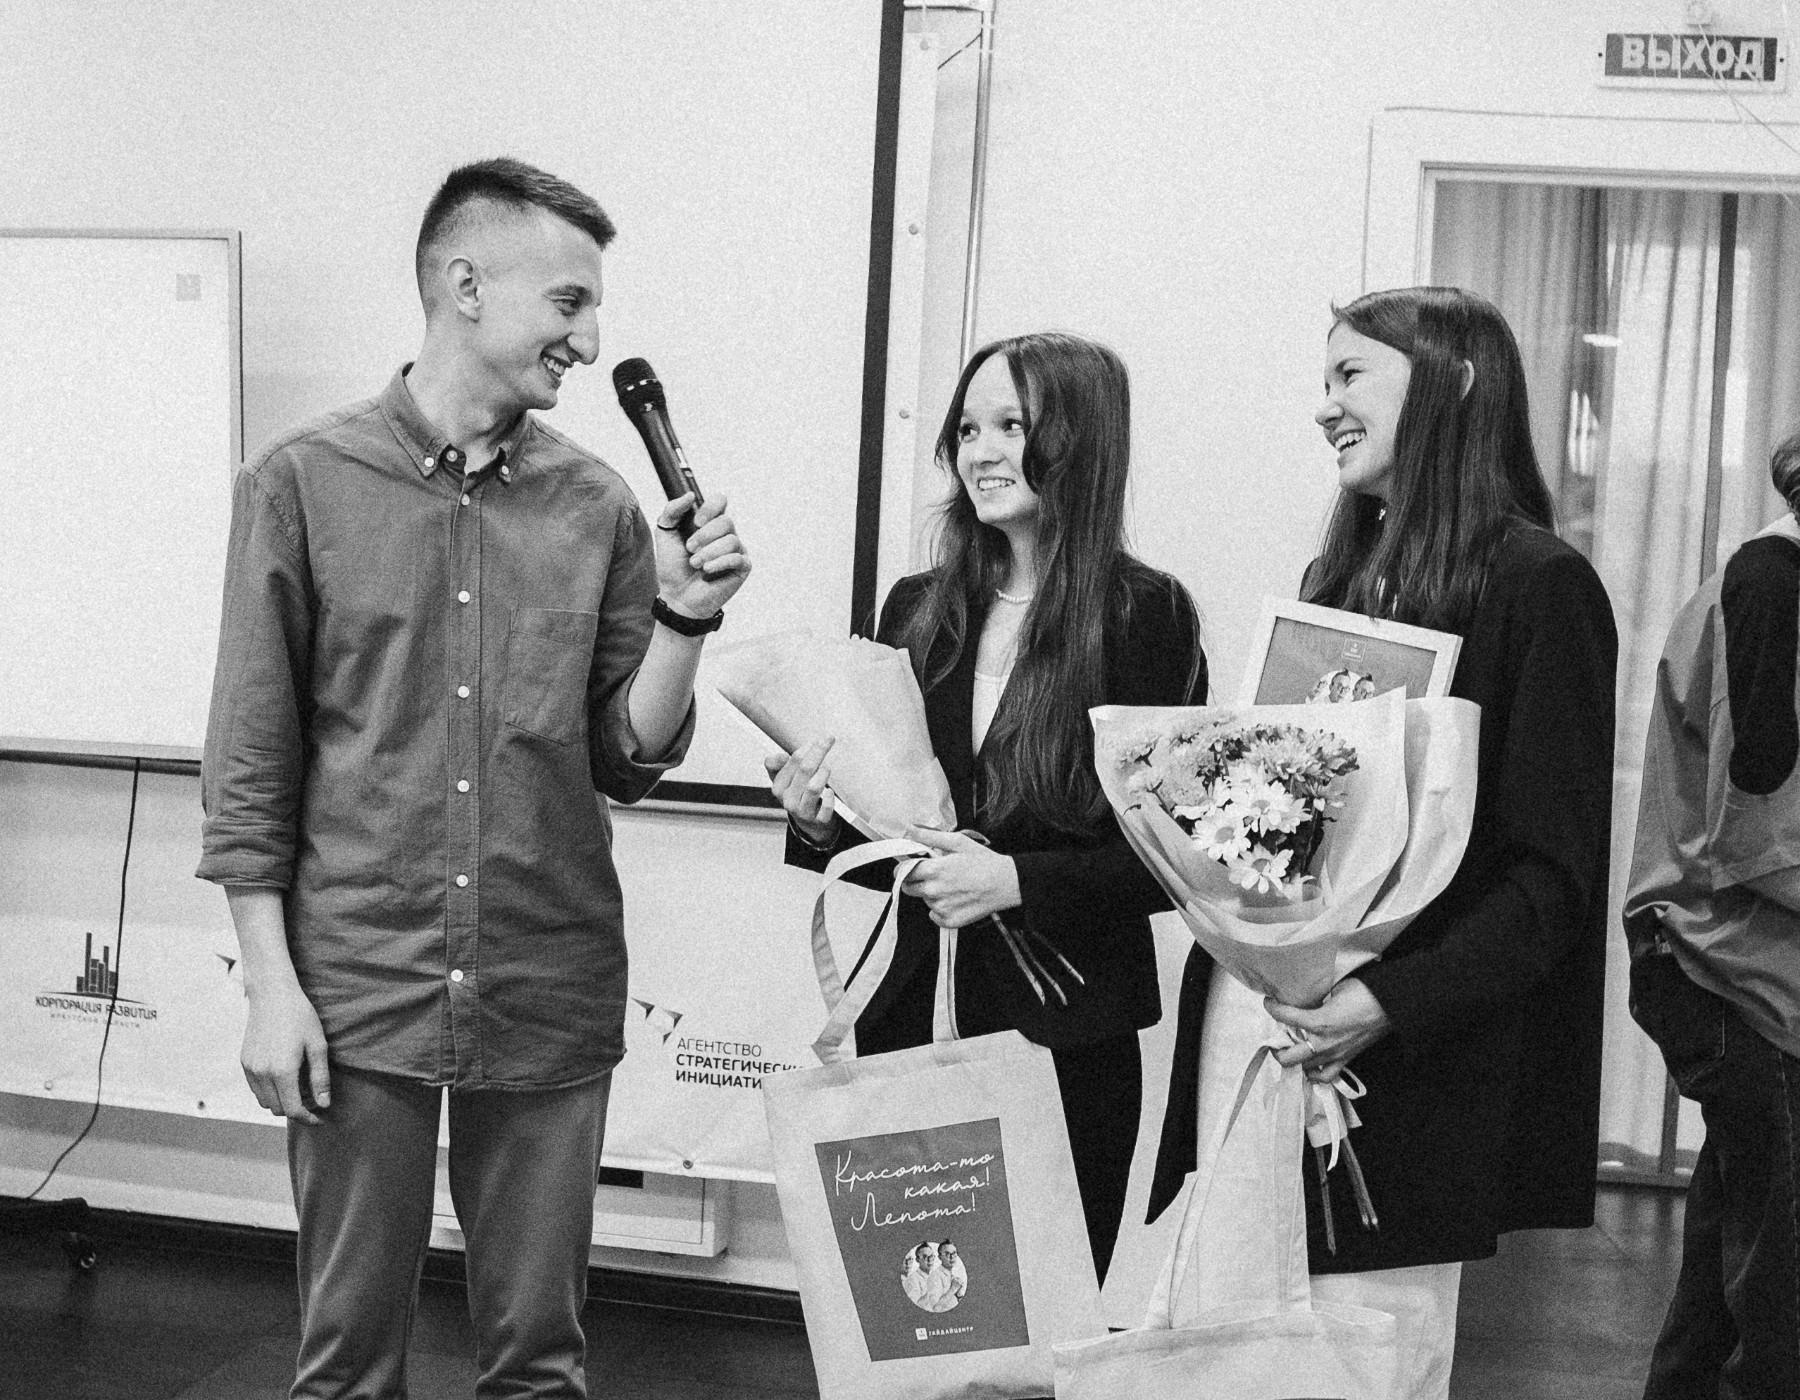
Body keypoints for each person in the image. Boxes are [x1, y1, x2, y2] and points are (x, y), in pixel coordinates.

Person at [196, 157, 749, 1400]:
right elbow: (251, 765)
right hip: (360, 982)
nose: (589, 341)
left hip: (546, 971)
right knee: (345, 1366)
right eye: (568, 302)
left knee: (541, 1368)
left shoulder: (598, 503)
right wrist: (270, 988)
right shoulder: (299, 484)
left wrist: (685, 616)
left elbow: (626, 757)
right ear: (464, 286)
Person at [1149, 287, 1617, 1397]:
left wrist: (1384, 1000)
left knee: (1361, 1359)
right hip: (1261, 1037)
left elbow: (1552, 882)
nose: (1325, 406)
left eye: (1351, 375)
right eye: (1325, 380)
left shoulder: (1542, 587)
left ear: (1454, 381)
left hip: (1408, 1068)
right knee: (1225, 1363)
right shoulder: (1337, 584)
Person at [767, 332, 1207, 1283]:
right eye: (968, 429)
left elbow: (1176, 857)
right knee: (916, 1315)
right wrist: (817, 821)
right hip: (915, 1014)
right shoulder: (916, 607)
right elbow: (895, 832)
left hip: (1067, 1031)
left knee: (1043, 1312)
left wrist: (1017, 881)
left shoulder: (1146, 616)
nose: (981, 452)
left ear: (1080, 440)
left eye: (1012, 426)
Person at [1622, 429, 1800, 1399]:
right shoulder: (1774, 588)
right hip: (1733, 970)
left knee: (1724, 1287)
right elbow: (1757, 829)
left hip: (1734, 968)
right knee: (1781, 1304)